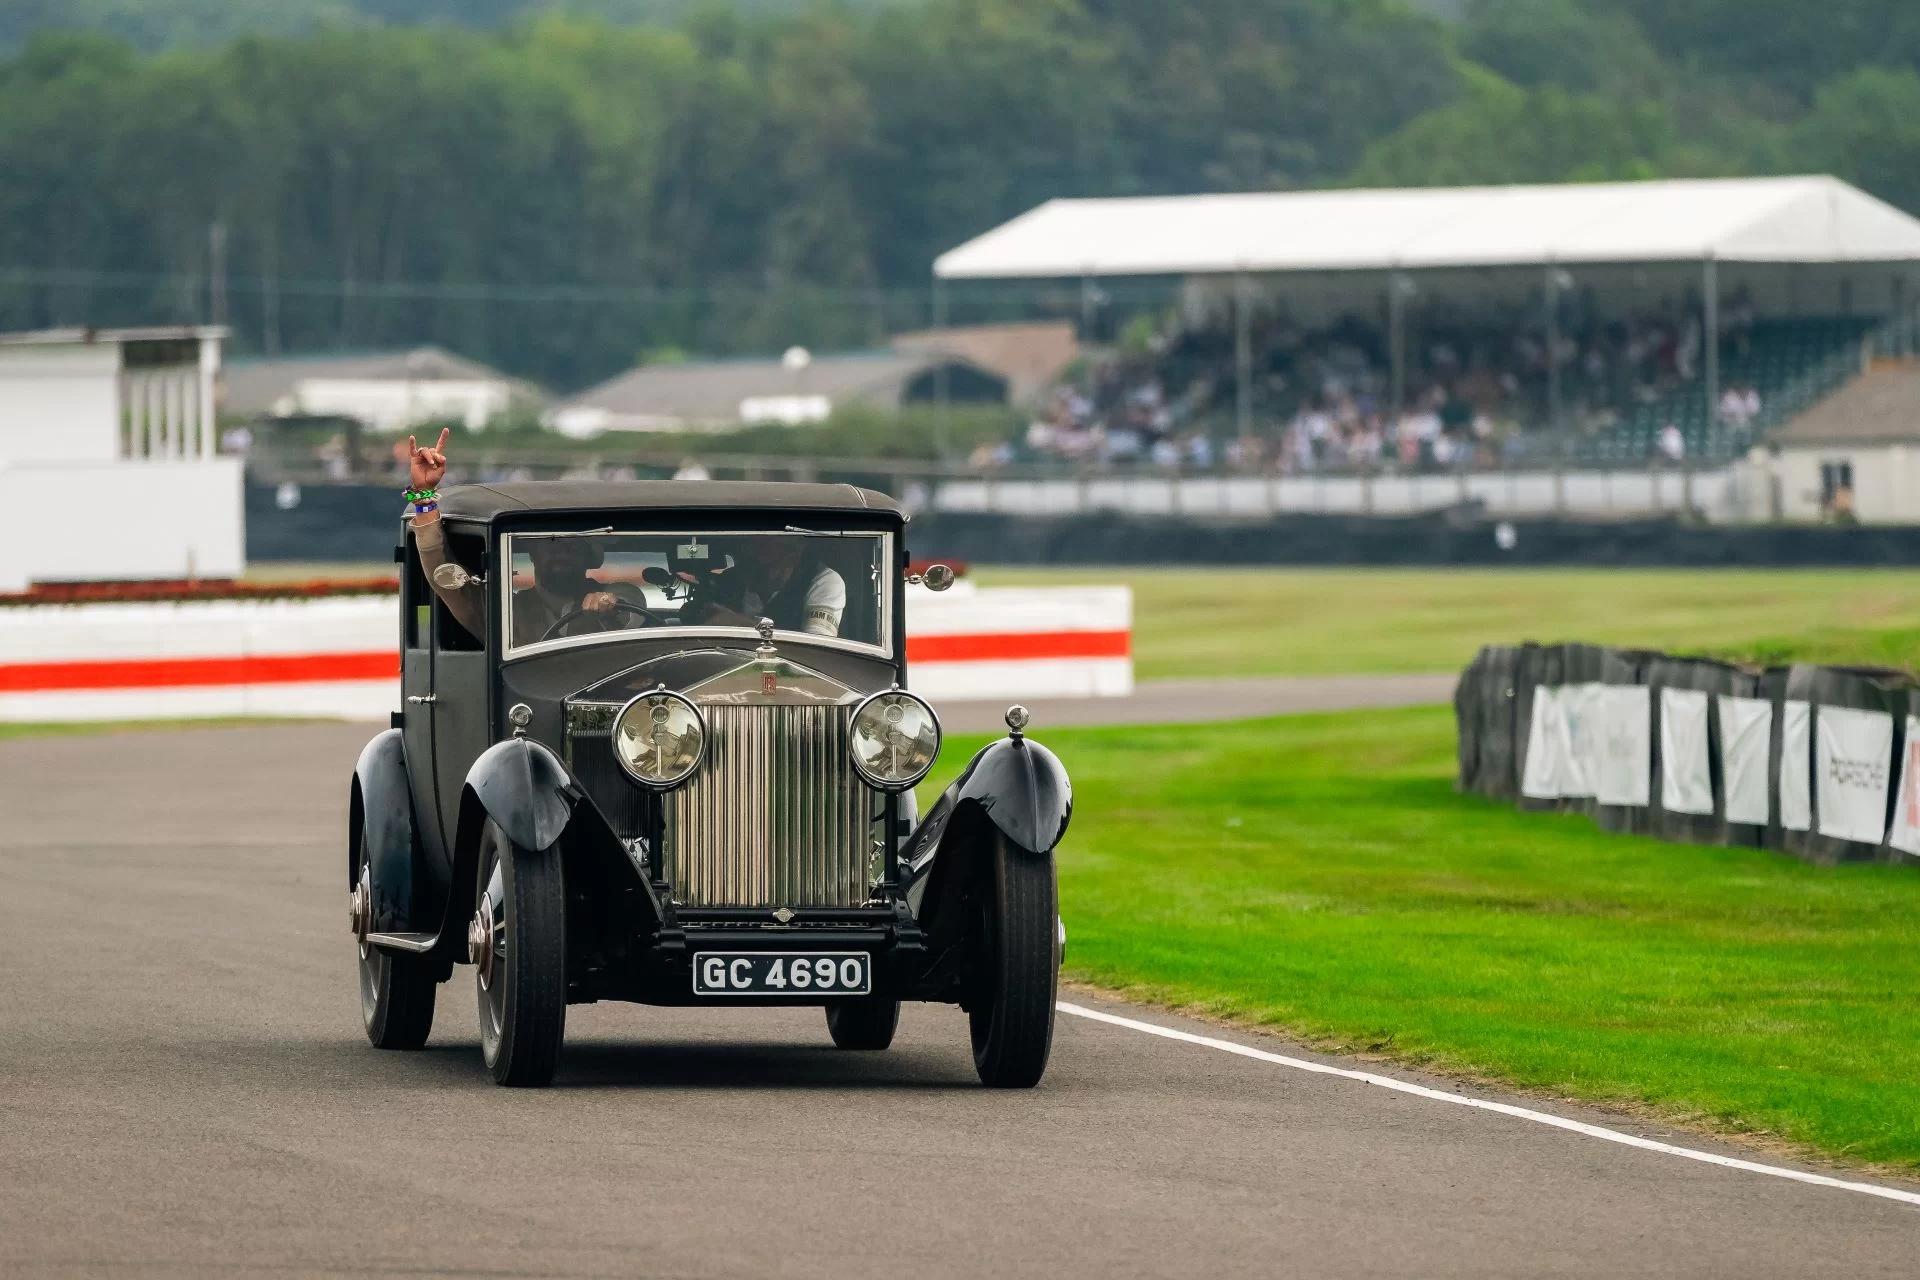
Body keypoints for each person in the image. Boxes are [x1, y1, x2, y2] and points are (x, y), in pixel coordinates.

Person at [405, 429, 642, 647]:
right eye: (550, 544)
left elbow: (630, 605)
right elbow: (444, 577)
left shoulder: (617, 595)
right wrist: (424, 498)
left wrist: (610, 606)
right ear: (533, 553)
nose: (561, 552)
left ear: (588, 556)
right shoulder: (507, 612)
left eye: (572, 545)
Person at [685, 535, 846, 638]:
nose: (752, 554)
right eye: (747, 548)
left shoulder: (823, 581)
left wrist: (740, 623)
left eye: (764, 547)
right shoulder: (731, 580)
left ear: (792, 556)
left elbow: (817, 648)